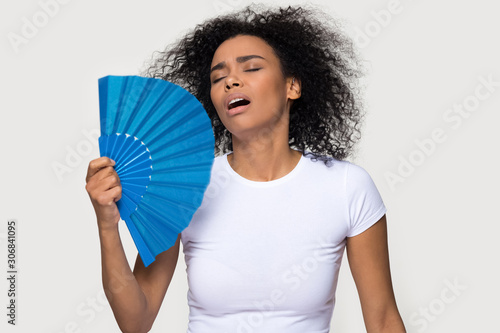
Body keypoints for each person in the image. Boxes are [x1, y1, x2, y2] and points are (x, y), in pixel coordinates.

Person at [85, 5, 406, 333]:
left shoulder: (346, 186)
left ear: (292, 86)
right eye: (218, 77)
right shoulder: (183, 187)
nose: (231, 81)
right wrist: (107, 225)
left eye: (251, 68)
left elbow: (382, 320)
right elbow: (135, 321)